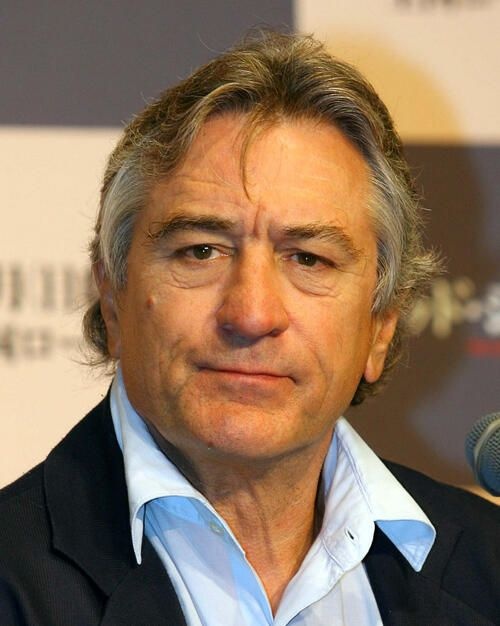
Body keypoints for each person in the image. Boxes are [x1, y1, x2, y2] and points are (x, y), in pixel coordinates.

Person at [0, 30, 498, 626]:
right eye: (201, 251)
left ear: (381, 325)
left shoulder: (487, 569)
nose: (251, 314)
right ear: (112, 298)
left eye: (308, 259)